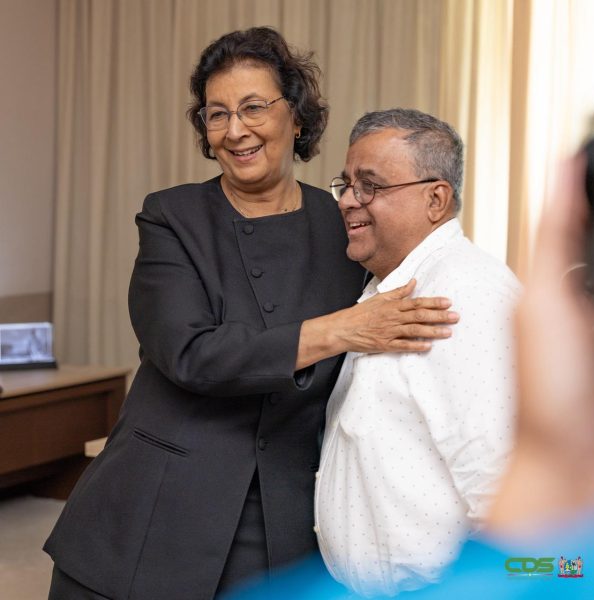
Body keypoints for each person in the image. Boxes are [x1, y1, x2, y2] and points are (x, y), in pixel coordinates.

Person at [43, 29, 458, 600]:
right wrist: (341, 329)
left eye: (254, 107)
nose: (235, 130)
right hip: (157, 509)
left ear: (297, 117)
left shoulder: (342, 223)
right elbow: (191, 355)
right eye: (217, 114)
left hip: (286, 521)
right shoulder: (171, 217)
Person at [314, 108, 521, 596]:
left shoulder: (464, 293)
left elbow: (502, 493)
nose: (347, 201)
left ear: (435, 199)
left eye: (370, 186)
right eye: (346, 184)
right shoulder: (388, 289)